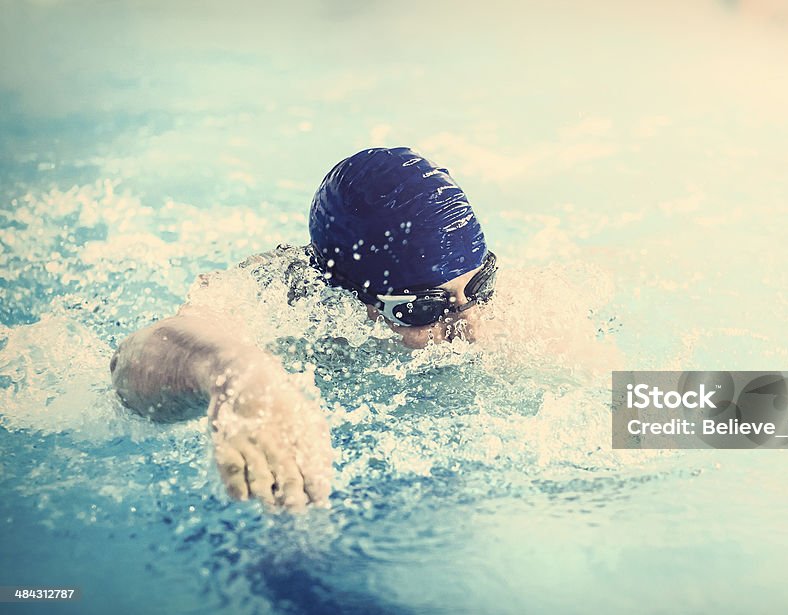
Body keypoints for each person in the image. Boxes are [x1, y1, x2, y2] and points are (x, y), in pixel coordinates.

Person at [109, 147, 498, 510]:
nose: (471, 328)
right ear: (351, 298)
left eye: (481, 285)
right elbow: (133, 365)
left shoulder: (513, 310)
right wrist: (236, 374)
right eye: (423, 308)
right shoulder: (278, 299)